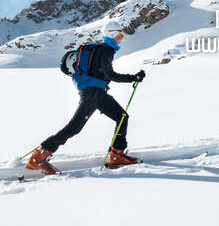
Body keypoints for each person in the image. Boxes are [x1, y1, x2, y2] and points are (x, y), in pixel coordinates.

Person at [26, 20, 146, 174]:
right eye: (120, 33)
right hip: (93, 93)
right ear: (112, 34)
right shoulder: (107, 50)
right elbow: (110, 74)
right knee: (74, 127)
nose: (122, 36)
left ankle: (117, 155)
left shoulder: (101, 49)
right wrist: (133, 77)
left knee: (122, 116)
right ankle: (38, 158)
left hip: (97, 92)